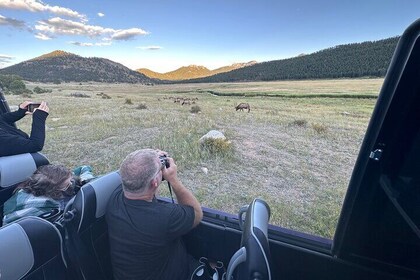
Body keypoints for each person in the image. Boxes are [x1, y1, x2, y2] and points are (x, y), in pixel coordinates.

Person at [106, 149, 203, 280]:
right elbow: (197, 214)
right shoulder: (165, 217)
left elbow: (136, 174)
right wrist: (173, 180)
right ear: (155, 183)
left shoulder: (113, 201)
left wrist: (151, 159)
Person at [2, 164, 76, 225]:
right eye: (66, 185)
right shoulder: (39, 207)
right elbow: (9, 224)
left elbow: (82, 170)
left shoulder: (38, 187)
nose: (71, 184)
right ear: (53, 189)